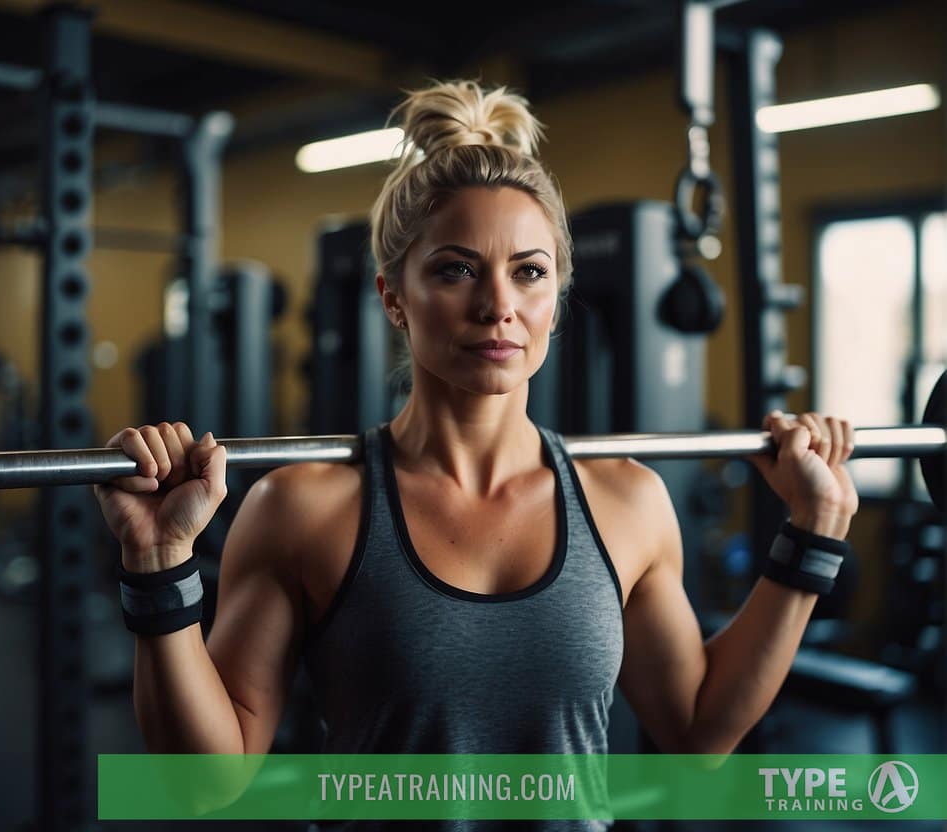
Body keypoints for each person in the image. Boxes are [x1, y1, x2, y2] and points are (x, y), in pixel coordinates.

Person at [94, 80, 858, 829]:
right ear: (393, 294)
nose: (498, 305)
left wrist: (812, 531)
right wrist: (158, 562)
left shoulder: (627, 502)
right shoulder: (303, 508)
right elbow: (204, 786)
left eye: (528, 271)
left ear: (555, 298)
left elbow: (695, 734)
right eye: (455, 269)